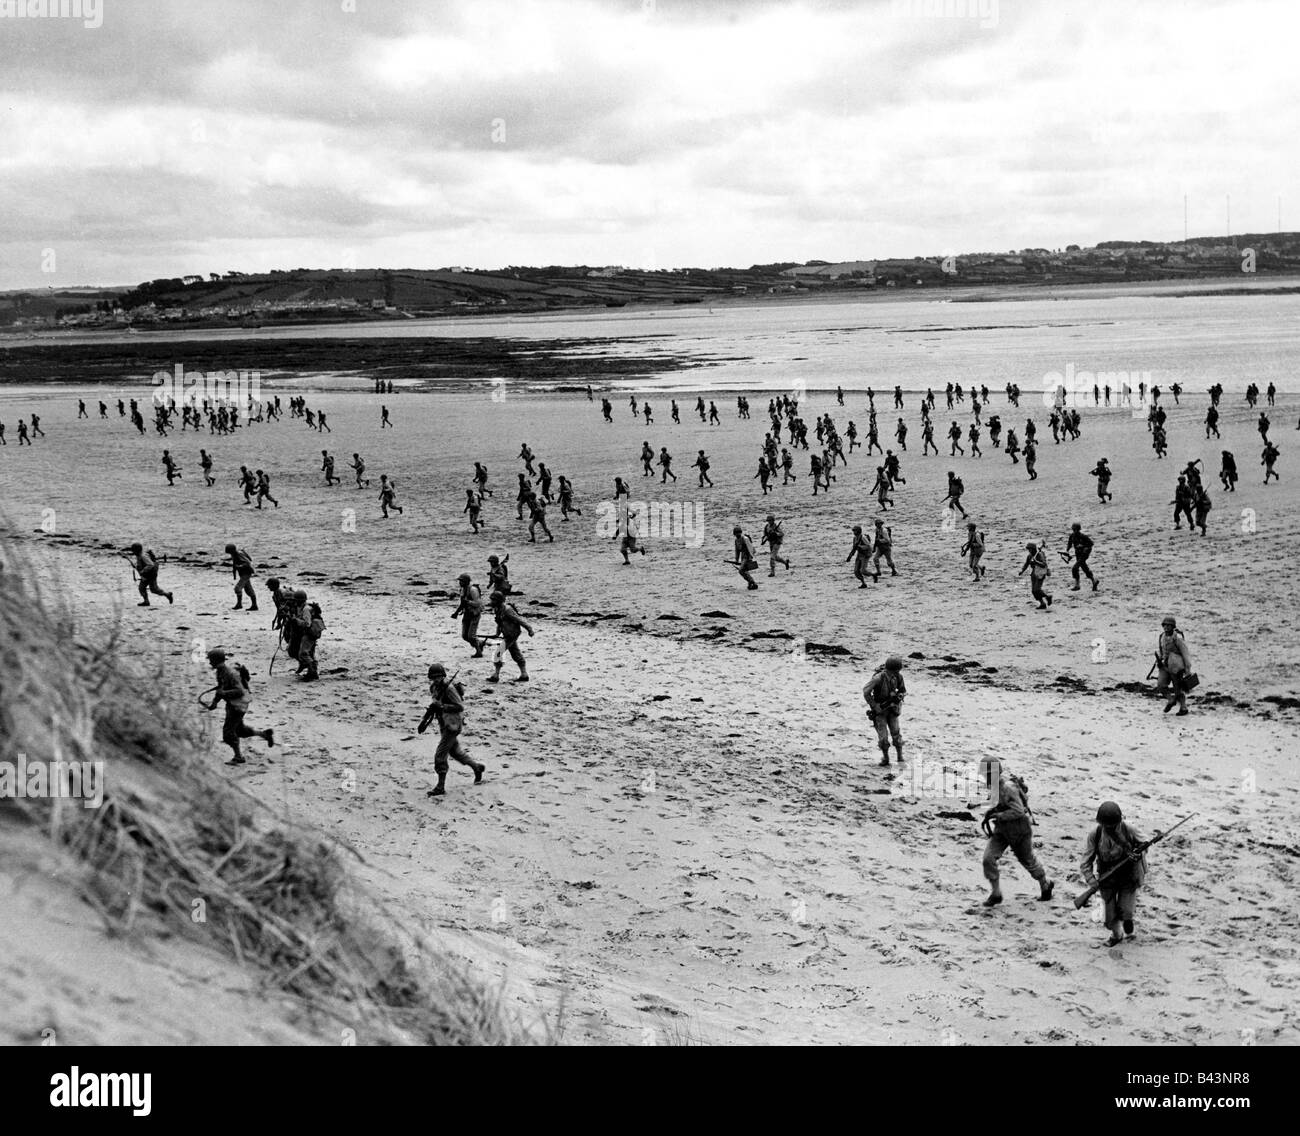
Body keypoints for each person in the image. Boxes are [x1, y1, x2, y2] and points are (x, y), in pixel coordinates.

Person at [980, 761, 1054, 906]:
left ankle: (1045, 884)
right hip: (1002, 830)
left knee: (1028, 861)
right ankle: (996, 893)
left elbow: (1018, 811)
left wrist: (999, 815)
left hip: (1019, 829)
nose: (985, 778)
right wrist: (992, 812)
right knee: (988, 858)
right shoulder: (994, 788)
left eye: (987, 775)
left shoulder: (1009, 789)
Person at [1080, 801, 1146, 946]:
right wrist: (1092, 881)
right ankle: (1117, 935)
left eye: (1113, 825)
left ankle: (1127, 920)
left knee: (1126, 910)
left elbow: (1144, 843)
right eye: (1106, 825)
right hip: (1107, 878)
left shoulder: (1129, 829)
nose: (1110, 828)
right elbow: (1086, 861)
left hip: (1128, 874)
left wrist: (1138, 853)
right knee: (1109, 920)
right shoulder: (1095, 834)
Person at [418, 662, 485, 796]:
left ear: (443, 676)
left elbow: (459, 706)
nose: (436, 679)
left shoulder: (449, 689)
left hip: (453, 724)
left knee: (440, 755)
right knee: (455, 752)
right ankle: (476, 767)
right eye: (433, 677)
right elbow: (434, 705)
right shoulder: (434, 687)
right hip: (444, 723)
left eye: (438, 677)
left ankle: (440, 787)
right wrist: (424, 721)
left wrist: (443, 707)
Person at [203, 648, 274, 766]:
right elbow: (221, 688)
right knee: (240, 730)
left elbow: (239, 691)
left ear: (216, 660)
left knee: (228, 733)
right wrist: (215, 702)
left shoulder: (231, 674)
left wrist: (224, 694)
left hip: (238, 705)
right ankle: (264, 735)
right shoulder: (220, 672)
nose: (209, 662)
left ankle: (238, 756)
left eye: (211, 660)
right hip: (233, 704)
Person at [862, 656, 906, 766]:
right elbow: (866, 691)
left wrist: (900, 695)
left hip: (893, 709)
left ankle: (900, 757)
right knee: (883, 736)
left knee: (896, 733)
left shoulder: (898, 677)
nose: (896, 673)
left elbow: (903, 690)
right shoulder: (878, 678)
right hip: (880, 711)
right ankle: (886, 758)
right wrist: (874, 705)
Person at [487, 591, 533, 682]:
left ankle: (496, 675)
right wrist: (497, 634)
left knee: (498, 652)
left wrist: (529, 629)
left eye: (493, 600)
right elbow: (499, 623)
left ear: (499, 601)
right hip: (507, 634)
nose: (491, 602)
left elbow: (519, 620)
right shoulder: (497, 609)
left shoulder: (507, 610)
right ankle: (524, 674)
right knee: (515, 653)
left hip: (512, 634)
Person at [1154, 614, 1192, 715]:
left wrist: (1188, 670)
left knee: (1178, 689)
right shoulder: (1161, 636)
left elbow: (1185, 654)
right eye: (1164, 625)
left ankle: (1183, 708)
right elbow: (1161, 651)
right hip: (1165, 666)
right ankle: (1171, 700)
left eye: (1168, 625)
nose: (1166, 627)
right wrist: (1159, 660)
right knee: (1161, 685)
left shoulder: (1178, 638)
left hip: (1176, 667)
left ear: (1173, 626)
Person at [453, 573, 487, 656]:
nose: (460, 583)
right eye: (459, 581)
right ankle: (480, 643)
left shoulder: (473, 590)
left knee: (471, 636)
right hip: (467, 614)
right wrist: (456, 613)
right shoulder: (462, 590)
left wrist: (468, 602)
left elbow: (478, 603)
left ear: (466, 582)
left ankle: (479, 652)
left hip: (474, 614)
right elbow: (462, 603)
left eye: (461, 581)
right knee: (465, 636)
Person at [293, 601, 325, 680]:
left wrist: (296, 620)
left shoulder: (306, 610)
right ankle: (312, 671)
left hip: (310, 632)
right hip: (314, 631)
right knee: (310, 653)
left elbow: (307, 624)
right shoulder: (308, 607)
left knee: (303, 653)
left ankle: (313, 672)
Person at [224, 543, 258, 610]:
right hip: (243, 573)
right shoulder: (234, 554)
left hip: (246, 572)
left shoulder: (239, 554)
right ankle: (254, 605)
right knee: (248, 589)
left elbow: (248, 562)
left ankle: (239, 604)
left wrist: (239, 566)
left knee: (238, 588)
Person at [1017, 542, 1052, 609]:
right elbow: (1026, 564)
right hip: (1034, 573)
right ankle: (1042, 603)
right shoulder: (1030, 556)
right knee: (1033, 591)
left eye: (1030, 549)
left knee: (1037, 590)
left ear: (1033, 549)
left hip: (1041, 572)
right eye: (1028, 549)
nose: (1029, 551)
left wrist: (1036, 562)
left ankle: (1047, 597)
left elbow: (1044, 564)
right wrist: (1022, 571)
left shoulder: (1040, 554)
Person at [1066, 523, 1098, 591]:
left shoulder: (1083, 536)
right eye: (1074, 530)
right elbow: (1069, 544)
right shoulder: (1072, 536)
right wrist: (1067, 551)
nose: (1075, 531)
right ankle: (1094, 580)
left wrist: (1083, 546)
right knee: (1084, 568)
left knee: (1075, 568)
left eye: (1076, 530)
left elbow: (1091, 543)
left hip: (1084, 555)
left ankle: (1077, 585)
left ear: (1079, 530)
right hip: (1078, 554)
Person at [732, 526, 759, 590]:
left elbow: (750, 548)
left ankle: (752, 582)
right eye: (736, 533)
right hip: (743, 557)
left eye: (738, 533)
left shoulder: (745, 539)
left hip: (747, 556)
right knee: (744, 571)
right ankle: (751, 583)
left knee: (741, 570)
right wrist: (736, 559)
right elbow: (737, 551)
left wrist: (750, 557)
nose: (737, 534)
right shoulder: (736, 541)